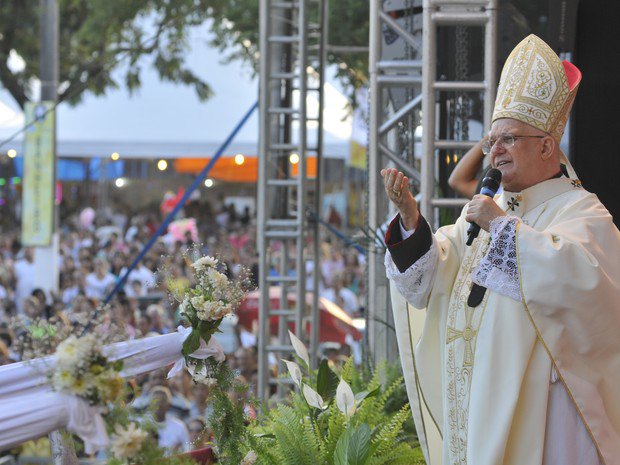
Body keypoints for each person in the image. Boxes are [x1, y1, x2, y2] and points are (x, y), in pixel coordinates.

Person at [382, 35, 620, 465]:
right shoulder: (486, 212)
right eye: (491, 141)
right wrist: (411, 221)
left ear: (546, 146)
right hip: (476, 399)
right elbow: (431, 278)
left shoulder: (582, 212)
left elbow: (585, 287)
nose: (495, 152)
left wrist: (502, 228)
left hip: (548, 414)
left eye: (508, 139)